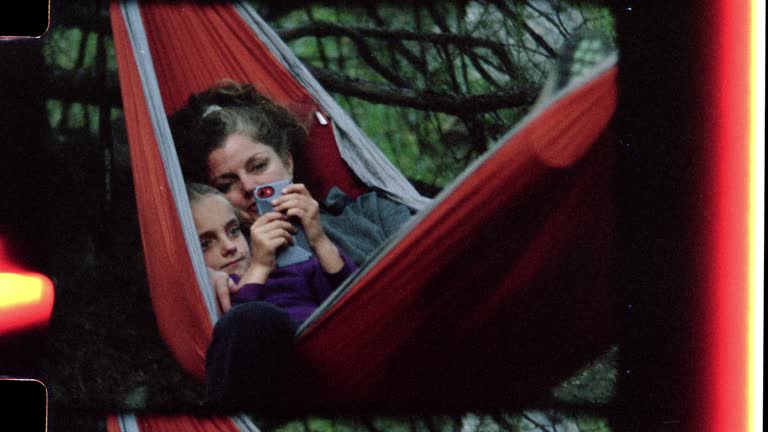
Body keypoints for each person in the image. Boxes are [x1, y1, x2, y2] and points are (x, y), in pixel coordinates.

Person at [170, 80, 412, 313]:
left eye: (258, 166)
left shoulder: (373, 210)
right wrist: (201, 280)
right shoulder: (228, 257)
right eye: (226, 183)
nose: (248, 186)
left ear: (287, 162)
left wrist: (319, 238)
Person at [186, 182, 356, 409]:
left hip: (332, 355)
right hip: (278, 379)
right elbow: (236, 335)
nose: (229, 246)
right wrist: (260, 266)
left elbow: (354, 301)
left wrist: (318, 239)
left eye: (233, 231)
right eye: (205, 243)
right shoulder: (217, 287)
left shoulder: (295, 268)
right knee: (252, 318)